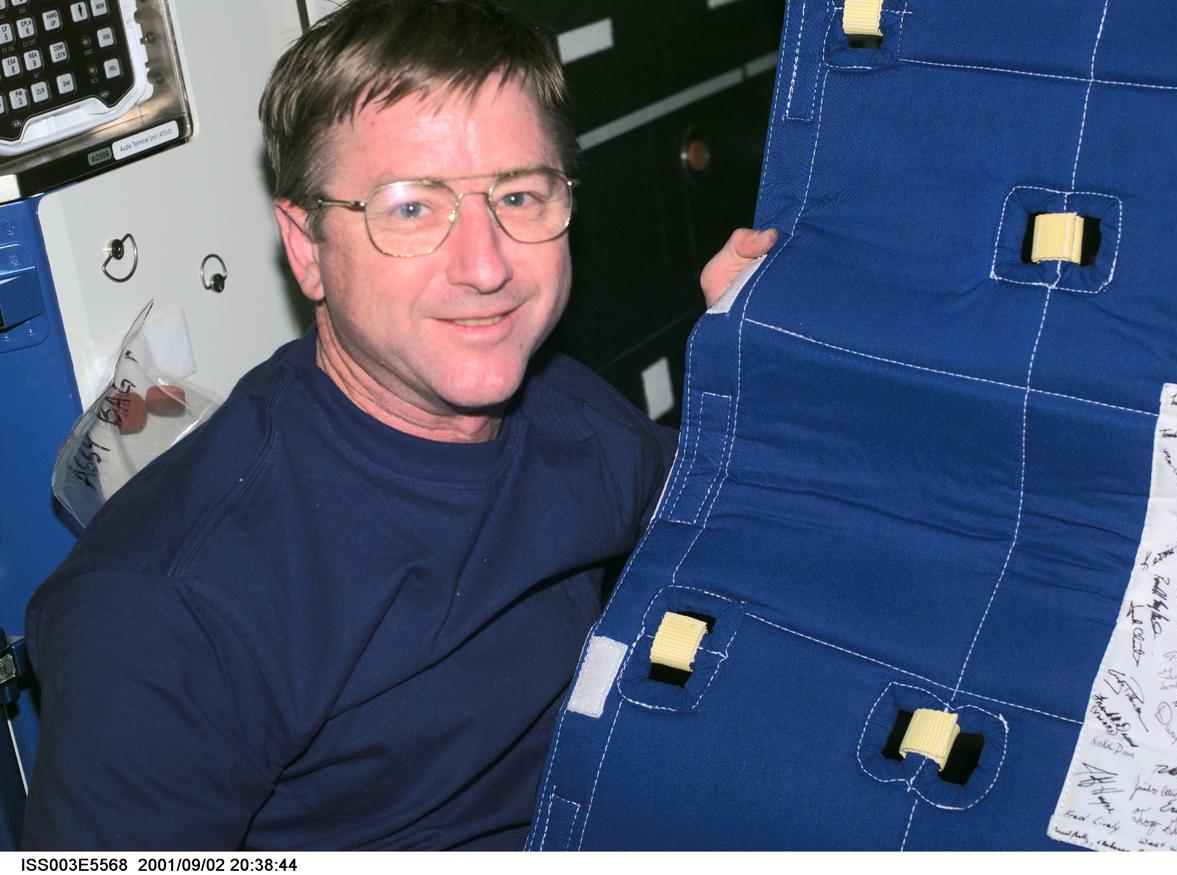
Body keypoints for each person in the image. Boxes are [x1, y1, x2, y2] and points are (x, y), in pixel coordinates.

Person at [20, 0, 775, 851]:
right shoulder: (166, 609)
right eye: (412, 208)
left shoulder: (564, 413)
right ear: (307, 248)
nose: (487, 265)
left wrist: (756, 366)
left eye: (519, 195)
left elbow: (724, 531)